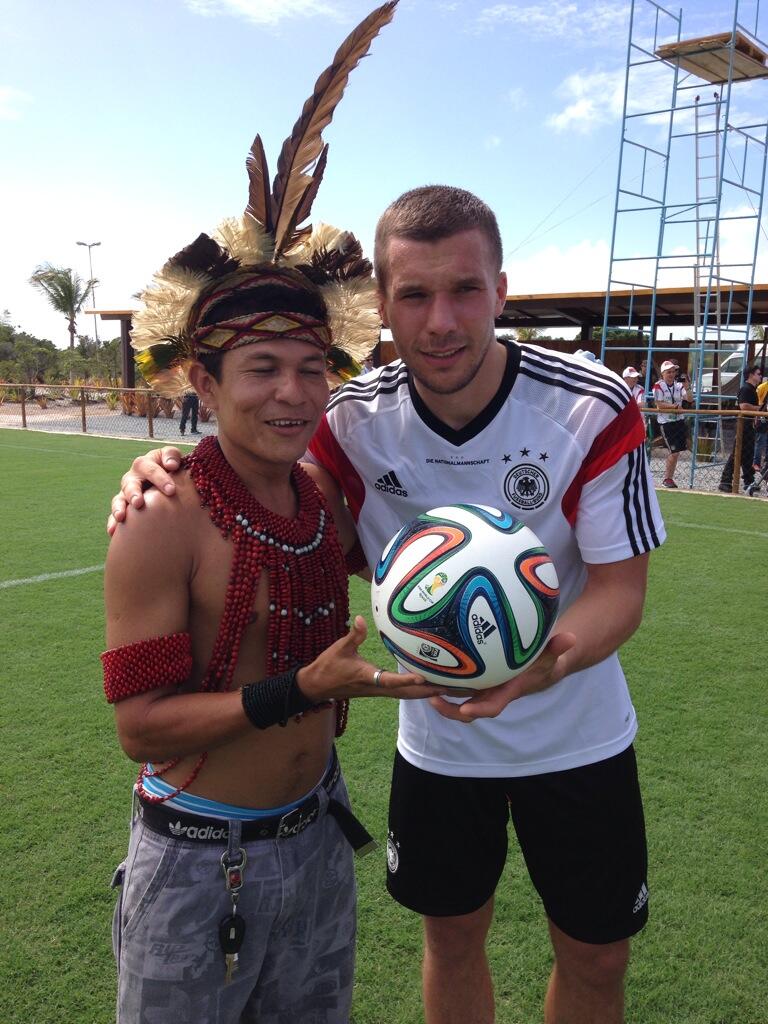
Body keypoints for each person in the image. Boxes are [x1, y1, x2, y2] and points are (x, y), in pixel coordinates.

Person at [110, 185, 666, 1024]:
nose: (441, 322)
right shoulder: (347, 420)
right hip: (439, 744)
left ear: (500, 291)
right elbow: (274, 494)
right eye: (414, 295)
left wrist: (535, 669)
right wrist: (167, 468)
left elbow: (621, 591)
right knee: (452, 938)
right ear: (382, 306)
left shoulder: (591, 403)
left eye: (465, 290)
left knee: (597, 954)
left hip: (577, 733)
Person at [101, 6, 439, 1022]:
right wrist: (300, 690)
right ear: (203, 379)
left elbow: (405, 566)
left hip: (317, 838)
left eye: (310, 367)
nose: (293, 393)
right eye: (261, 369)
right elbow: (140, 729)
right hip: (199, 866)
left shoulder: (322, 491)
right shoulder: (163, 513)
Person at [718, 364, 763, 493]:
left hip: (749, 425)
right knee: (736, 454)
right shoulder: (746, 389)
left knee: (747, 454)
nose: (760, 376)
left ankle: (749, 481)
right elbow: (743, 406)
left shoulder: (752, 389)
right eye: (758, 374)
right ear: (751, 375)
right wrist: (759, 408)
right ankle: (725, 481)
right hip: (743, 425)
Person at [652, 360, 692, 488]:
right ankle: (667, 479)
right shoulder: (658, 386)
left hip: (679, 421)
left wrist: (688, 387)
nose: (671, 374)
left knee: (677, 452)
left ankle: (669, 478)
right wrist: (673, 407)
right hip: (666, 422)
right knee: (674, 451)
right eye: (668, 372)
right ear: (663, 373)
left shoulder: (679, 385)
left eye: (673, 372)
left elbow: (689, 399)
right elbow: (659, 404)